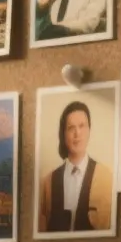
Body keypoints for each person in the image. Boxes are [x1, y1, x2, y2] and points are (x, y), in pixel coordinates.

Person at [36, 100, 113, 233]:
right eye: (71, 128)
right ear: (63, 134)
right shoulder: (47, 182)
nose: (77, 133)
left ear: (89, 130)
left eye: (82, 126)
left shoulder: (106, 177)